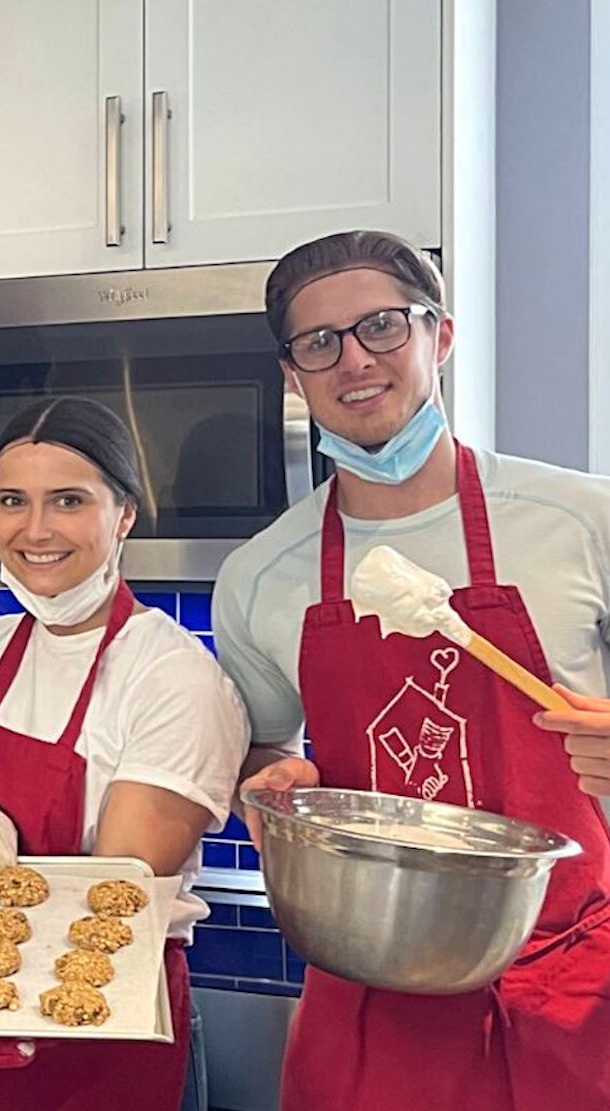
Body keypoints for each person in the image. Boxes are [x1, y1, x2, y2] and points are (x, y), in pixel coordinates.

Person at [215, 230, 610, 1110]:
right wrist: (270, 783)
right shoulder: (261, 575)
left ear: (440, 335)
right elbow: (264, 745)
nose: (353, 359)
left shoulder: (581, 520)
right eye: (318, 342)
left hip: (581, 984)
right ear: (292, 375)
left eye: (382, 326)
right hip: (373, 999)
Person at [0, 396, 246, 1109]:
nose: (34, 530)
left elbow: (112, 899)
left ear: (123, 512)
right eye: (12, 501)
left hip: (101, 1025)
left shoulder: (171, 674)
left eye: (67, 500)